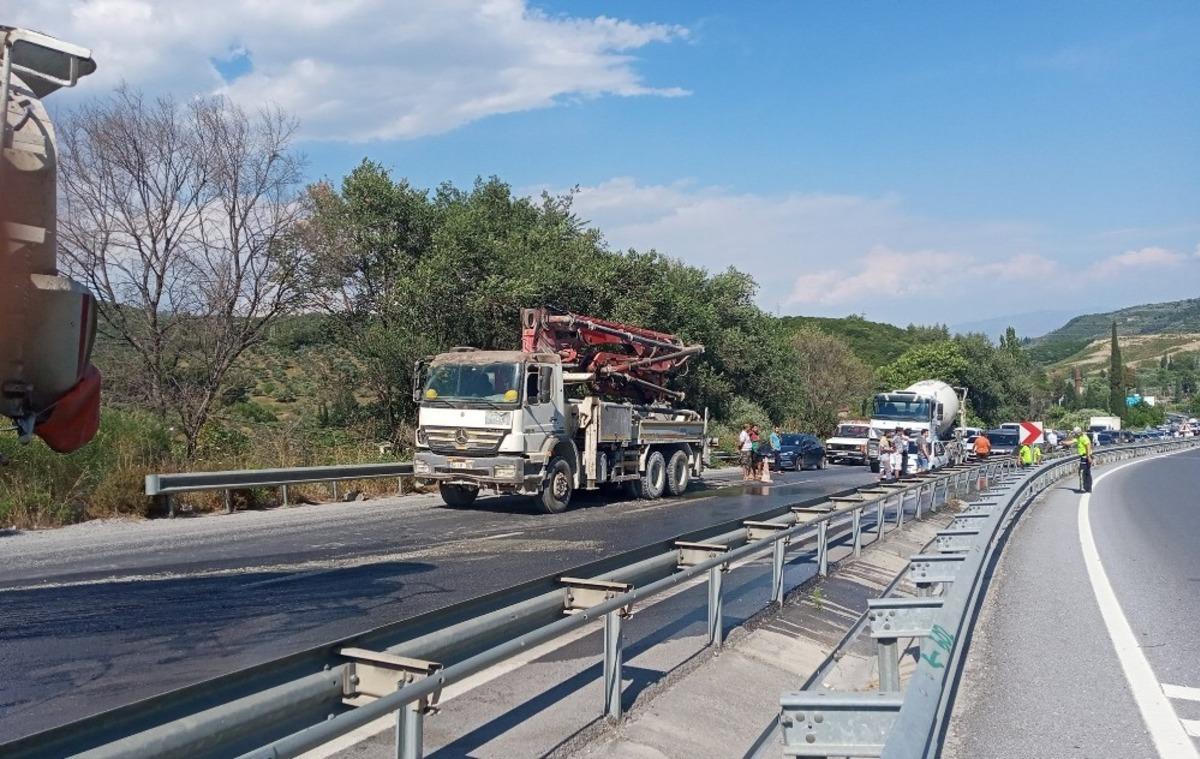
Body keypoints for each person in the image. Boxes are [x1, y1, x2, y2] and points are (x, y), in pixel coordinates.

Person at [1074, 426, 1093, 492]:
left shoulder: (1084, 438)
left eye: (1076, 433)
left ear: (1078, 433)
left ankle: (1087, 487)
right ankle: (1086, 487)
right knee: (1085, 471)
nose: (1075, 435)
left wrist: (1088, 457)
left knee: (1084, 472)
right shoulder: (1079, 438)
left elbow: (1088, 447)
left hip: (1086, 457)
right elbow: (1072, 441)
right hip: (1083, 457)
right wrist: (1064, 442)